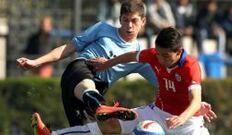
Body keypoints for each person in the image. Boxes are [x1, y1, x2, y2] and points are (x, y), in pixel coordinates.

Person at [32, 27, 217, 135]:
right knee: (108, 125)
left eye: (166, 56)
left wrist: (181, 117)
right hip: (156, 112)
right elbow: (130, 56)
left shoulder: (191, 66)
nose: (160, 59)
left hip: (189, 125)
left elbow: (195, 101)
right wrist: (108, 64)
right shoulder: (154, 55)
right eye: (158, 54)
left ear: (179, 52)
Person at [17, 0, 159, 127]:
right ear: (120, 19)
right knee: (88, 85)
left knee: (85, 131)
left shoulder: (140, 56)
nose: (129, 25)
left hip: (95, 91)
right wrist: (36, 62)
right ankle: (99, 106)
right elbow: (68, 48)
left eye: (134, 20)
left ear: (143, 21)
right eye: (125, 19)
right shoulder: (102, 28)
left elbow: (163, 83)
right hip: (79, 71)